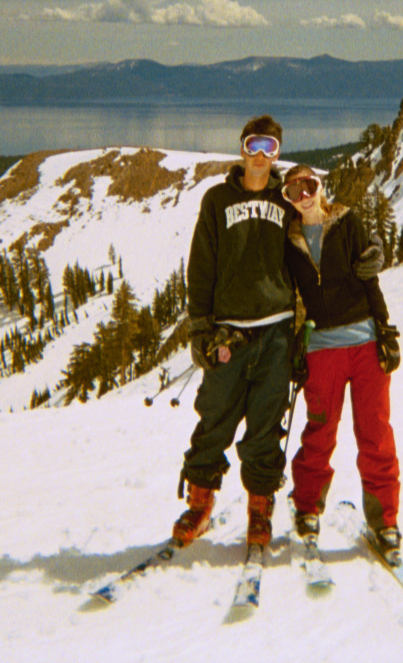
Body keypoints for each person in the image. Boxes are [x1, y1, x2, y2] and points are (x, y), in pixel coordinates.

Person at [172, 115, 297, 551]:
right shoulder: (216, 200)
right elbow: (201, 266)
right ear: (242, 150)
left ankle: (259, 509)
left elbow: (304, 263)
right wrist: (200, 328)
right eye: (253, 145)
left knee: (266, 426)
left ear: (277, 154)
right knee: (214, 419)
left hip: (277, 332)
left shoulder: (286, 202)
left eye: (270, 147)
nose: (261, 156)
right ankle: (200, 503)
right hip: (228, 336)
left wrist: (303, 330)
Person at [279, 162, 403, 555]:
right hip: (321, 349)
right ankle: (306, 508)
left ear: (321, 187)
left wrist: (384, 330)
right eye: (293, 191)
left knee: (375, 432)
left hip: (364, 342)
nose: (303, 196)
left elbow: (369, 275)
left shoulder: (347, 223)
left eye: (309, 186)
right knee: (320, 431)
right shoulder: (289, 240)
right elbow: (293, 299)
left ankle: (385, 520)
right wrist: (297, 347)